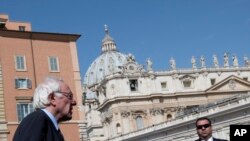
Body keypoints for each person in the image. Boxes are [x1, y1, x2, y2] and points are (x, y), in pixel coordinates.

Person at [13, 77, 77, 141]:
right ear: (52, 98)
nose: (74, 102)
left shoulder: (45, 123)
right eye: (69, 96)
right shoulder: (37, 120)